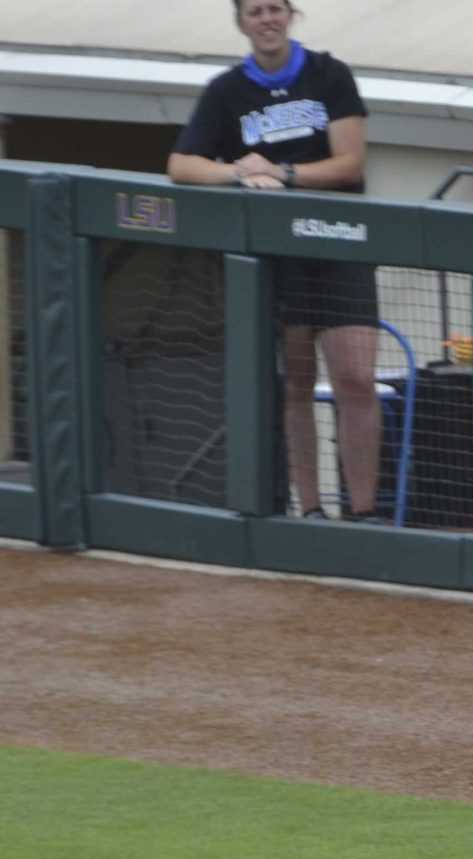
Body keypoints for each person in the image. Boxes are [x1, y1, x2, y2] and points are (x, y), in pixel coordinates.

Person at [168, 0, 381, 524]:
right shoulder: (226, 91)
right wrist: (239, 175)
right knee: (295, 384)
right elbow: (180, 164)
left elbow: (350, 164)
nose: (267, 20)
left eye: (275, 9)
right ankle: (307, 509)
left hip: (340, 245)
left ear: (291, 15)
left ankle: (365, 512)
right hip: (277, 258)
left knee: (355, 377)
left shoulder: (329, 75)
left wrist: (285, 174)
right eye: (255, 11)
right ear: (241, 22)